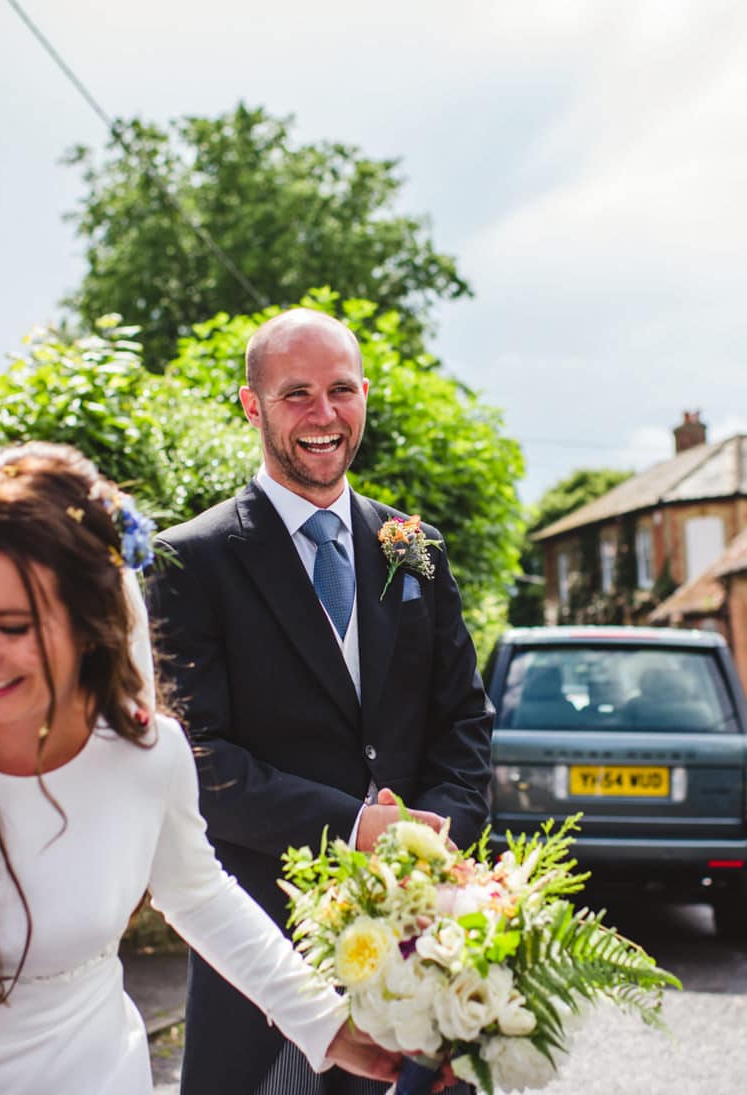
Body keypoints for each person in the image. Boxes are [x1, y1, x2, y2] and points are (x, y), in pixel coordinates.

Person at [0, 442, 400, 1094]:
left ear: (87, 623)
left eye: (12, 625)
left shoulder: (149, 752)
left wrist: (327, 1023)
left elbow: (198, 893)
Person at [148, 308, 494, 1094]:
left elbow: (464, 722)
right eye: (296, 394)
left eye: (341, 390)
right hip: (267, 953)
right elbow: (197, 759)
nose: (324, 415)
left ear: (365, 395)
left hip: (425, 954)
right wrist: (355, 828)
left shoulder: (417, 548)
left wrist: (438, 833)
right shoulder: (190, 560)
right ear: (251, 405)